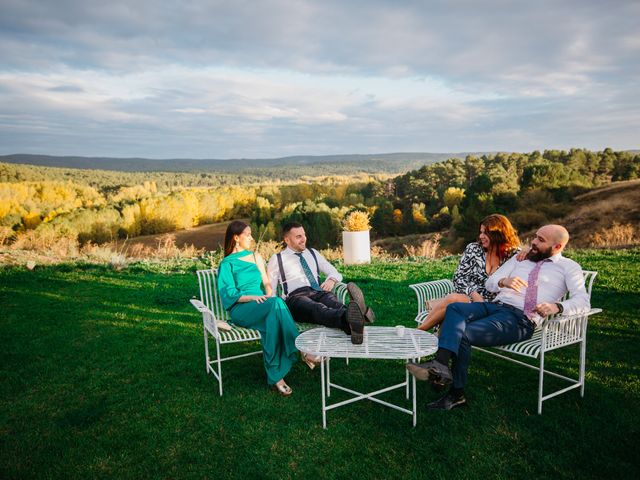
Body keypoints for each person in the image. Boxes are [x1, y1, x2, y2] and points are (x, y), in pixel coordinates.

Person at [407, 224, 590, 410]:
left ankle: (454, 392)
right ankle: (441, 365)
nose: (533, 242)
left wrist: (557, 306)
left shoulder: (569, 268)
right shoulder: (521, 258)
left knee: (461, 334)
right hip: (494, 307)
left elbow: (583, 301)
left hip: (520, 320)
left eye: (541, 240)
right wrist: (504, 281)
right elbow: (490, 283)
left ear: (557, 247)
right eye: (535, 236)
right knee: (455, 308)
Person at [217, 220, 319, 397]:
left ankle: (277, 377)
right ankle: (302, 350)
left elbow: (266, 282)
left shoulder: (256, 257)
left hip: (263, 304)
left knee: (274, 313)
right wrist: (254, 297)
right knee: (276, 305)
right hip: (242, 308)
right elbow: (229, 294)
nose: (252, 238)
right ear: (236, 238)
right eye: (247, 235)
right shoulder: (227, 264)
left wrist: (268, 293)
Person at [267, 221, 375, 344]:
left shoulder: (313, 253)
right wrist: (275, 311)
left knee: (335, 304)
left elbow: (334, 272)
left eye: (304, 235)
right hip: (296, 298)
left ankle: (353, 325)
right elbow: (271, 289)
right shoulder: (277, 259)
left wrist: (331, 280)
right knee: (317, 309)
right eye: (298, 237)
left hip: (318, 291)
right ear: (287, 240)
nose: (303, 239)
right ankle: (360, 316)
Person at [418, 214, 520, 331]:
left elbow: (536, 258)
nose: (481, 236)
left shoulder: (514, 255)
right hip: (468, 296)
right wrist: (473, 293)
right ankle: (421, 332)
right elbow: (458, 277)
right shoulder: (474, 249)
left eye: (485, 233)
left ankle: (421, 331)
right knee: (454, 300)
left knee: (452, 303)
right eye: (480, 232)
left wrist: (526, 251)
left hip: (493, 304)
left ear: (498, 234)